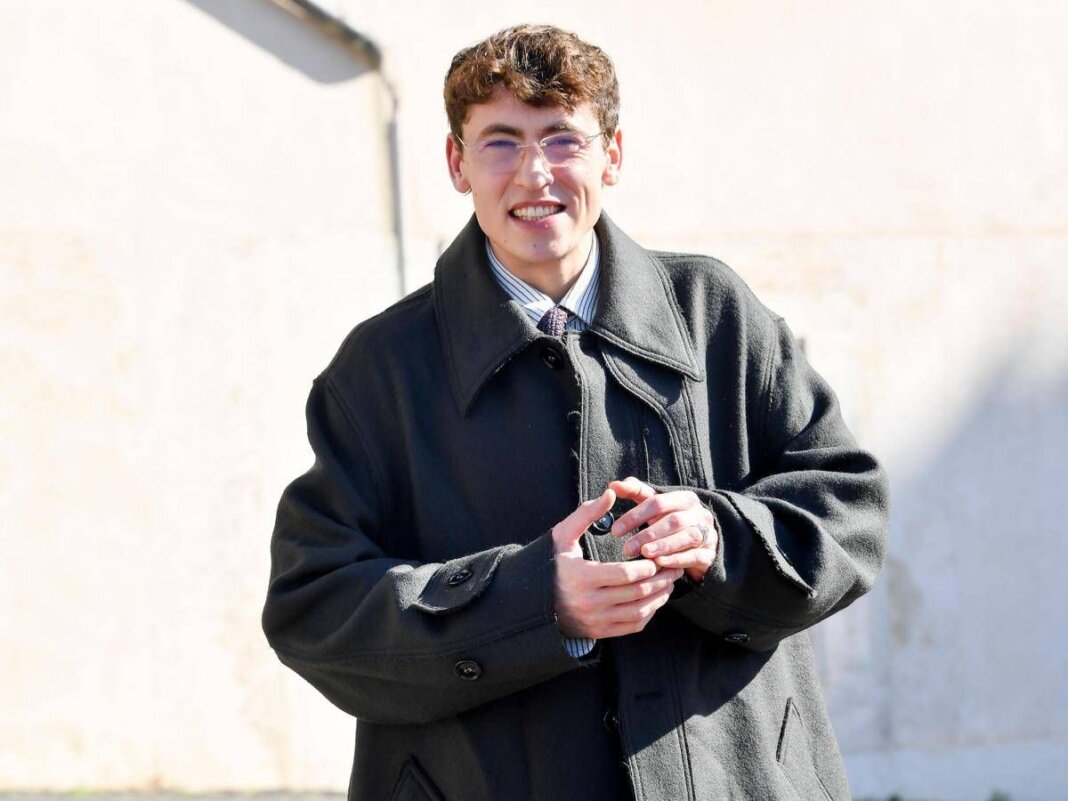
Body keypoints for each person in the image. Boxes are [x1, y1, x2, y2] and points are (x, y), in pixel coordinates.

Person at [262, 23, 889, 801]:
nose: (535, 174)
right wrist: (532, 601)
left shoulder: (716, 314)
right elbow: (314, 606)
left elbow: (849, 509)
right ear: (457, 163)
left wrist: (717, 536)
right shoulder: (380, 369)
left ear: (611, 156)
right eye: (500, 142)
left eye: (562, 139)